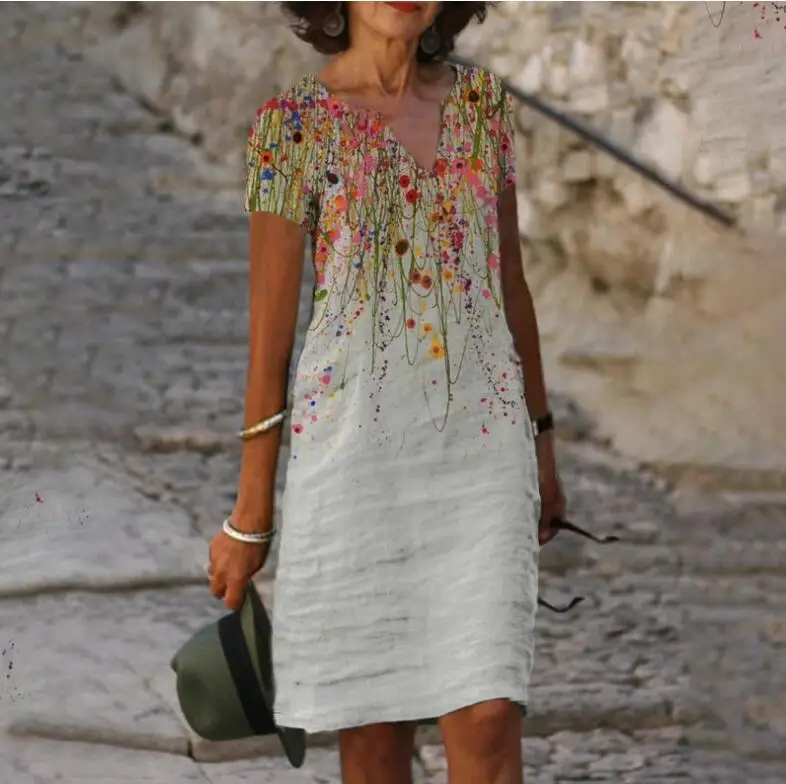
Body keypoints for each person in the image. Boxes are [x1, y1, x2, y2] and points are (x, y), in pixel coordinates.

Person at [208, 3, 566, 782]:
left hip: (482, 461)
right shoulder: (290, 127)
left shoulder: (482, 107)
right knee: (373, 737)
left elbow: (509, 283)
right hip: (353, 469)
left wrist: (542, 442)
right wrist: (251, 513)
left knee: (490, 715)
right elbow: (269, 338)